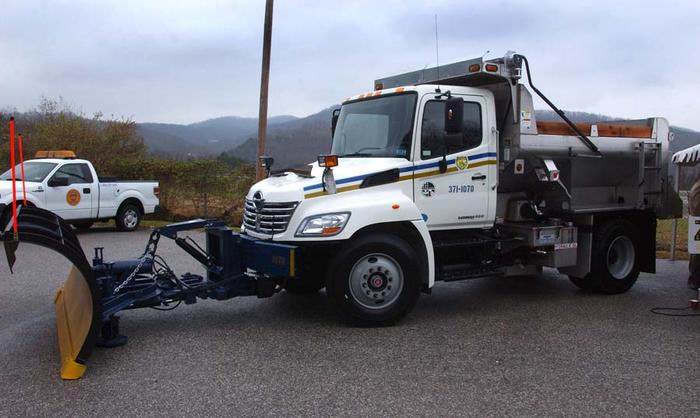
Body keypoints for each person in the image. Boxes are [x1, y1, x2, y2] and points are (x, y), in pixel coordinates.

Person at [688, 175, 700, 289]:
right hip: (698, 222)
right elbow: (697, 208)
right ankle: (695, 279)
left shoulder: (696, 186)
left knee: (695, 252)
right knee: (697, 252)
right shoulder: (698, 188)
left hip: (696, 222)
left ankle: (693, 278)